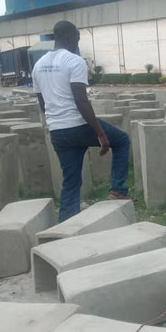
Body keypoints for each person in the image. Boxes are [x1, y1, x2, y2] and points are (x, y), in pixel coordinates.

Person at [33, 20, 131, 222]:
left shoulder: (38, 65)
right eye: (77, 39)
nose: (77, 43)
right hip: (78, 125)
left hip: (57, 132)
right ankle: (118, 190)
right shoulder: (74, 61)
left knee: (71, 181)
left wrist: (56, 120)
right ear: (70, 37)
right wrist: (100, 134)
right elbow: (80, 100)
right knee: (121, 141)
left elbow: (42, 102)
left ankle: (66, 228)